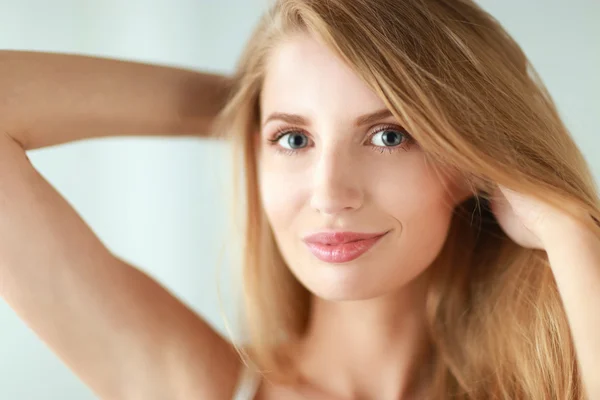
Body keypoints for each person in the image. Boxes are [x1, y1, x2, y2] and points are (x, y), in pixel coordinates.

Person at [0, 0, 599, 399]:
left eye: (389, 135)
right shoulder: (202, 386)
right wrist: (245, 109)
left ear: (466, 160)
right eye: (293, 139)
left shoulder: (557, 376)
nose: (330, 193)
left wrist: (568, 230)